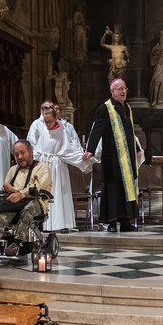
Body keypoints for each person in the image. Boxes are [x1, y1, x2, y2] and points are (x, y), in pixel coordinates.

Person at [0, 140, 52, 258]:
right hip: (16, 203)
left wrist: (21, 194)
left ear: (31, 151)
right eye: (17, 155)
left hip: (36, 201)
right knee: (4, 212)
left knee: (28, 209)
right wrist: (8, 187)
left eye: (22, 153)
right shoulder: (13, 170)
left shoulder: (42, 168)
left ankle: (16, 243)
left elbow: (38, 188)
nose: (20, 157)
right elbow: (6, 185)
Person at [83, 79, 140, 232]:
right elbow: (97, 129)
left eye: (125, 88)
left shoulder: (127, 108)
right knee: (113, 189)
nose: (123, 91)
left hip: (127, 158)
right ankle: (112, 223)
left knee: (125, 188)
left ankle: (126, 221)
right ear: (112, 92)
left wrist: (136, 149)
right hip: (113, 158)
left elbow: (130, 132)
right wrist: (90, 149)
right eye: (119, 89)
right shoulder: (105, 108)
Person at [28, 101, 90, 233]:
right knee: (44, 193)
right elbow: (35, 147)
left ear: (56, 118)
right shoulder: (41, 128)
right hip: (44, 164)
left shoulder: (62, 129)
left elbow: (69, 148)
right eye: (46, 122)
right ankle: (45, 224)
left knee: (60, 193)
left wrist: (81, 157)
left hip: (58, 165)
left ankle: (62, 223)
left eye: (50, 121)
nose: (48, 124)